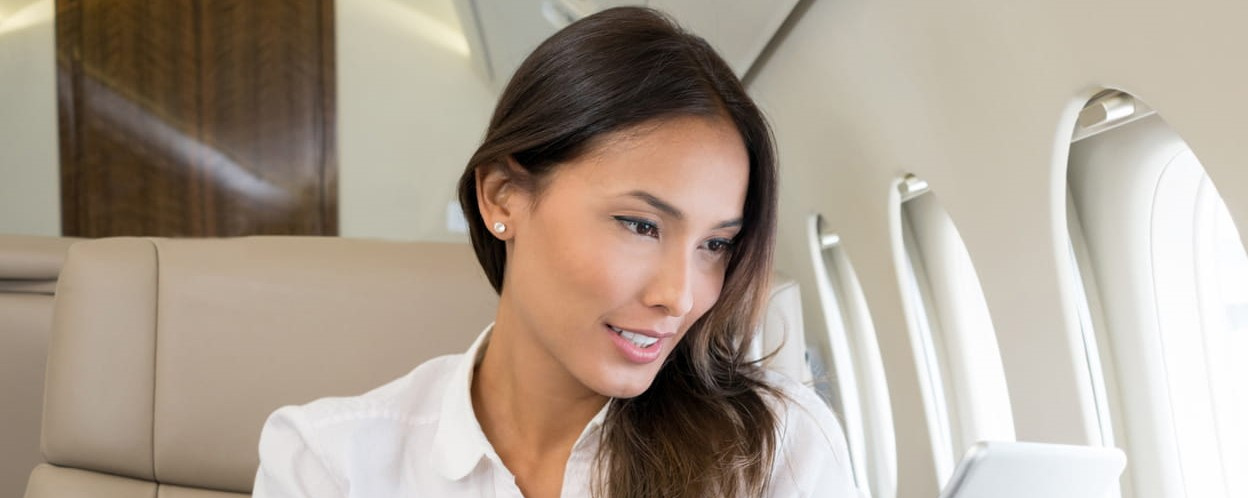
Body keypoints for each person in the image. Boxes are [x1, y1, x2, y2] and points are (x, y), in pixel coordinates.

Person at [252, 7, 858, 497]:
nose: (678, 296)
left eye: (716, 244)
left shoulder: (780, 450)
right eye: (641, 225)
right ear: (502, 196)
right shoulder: (330, 464)